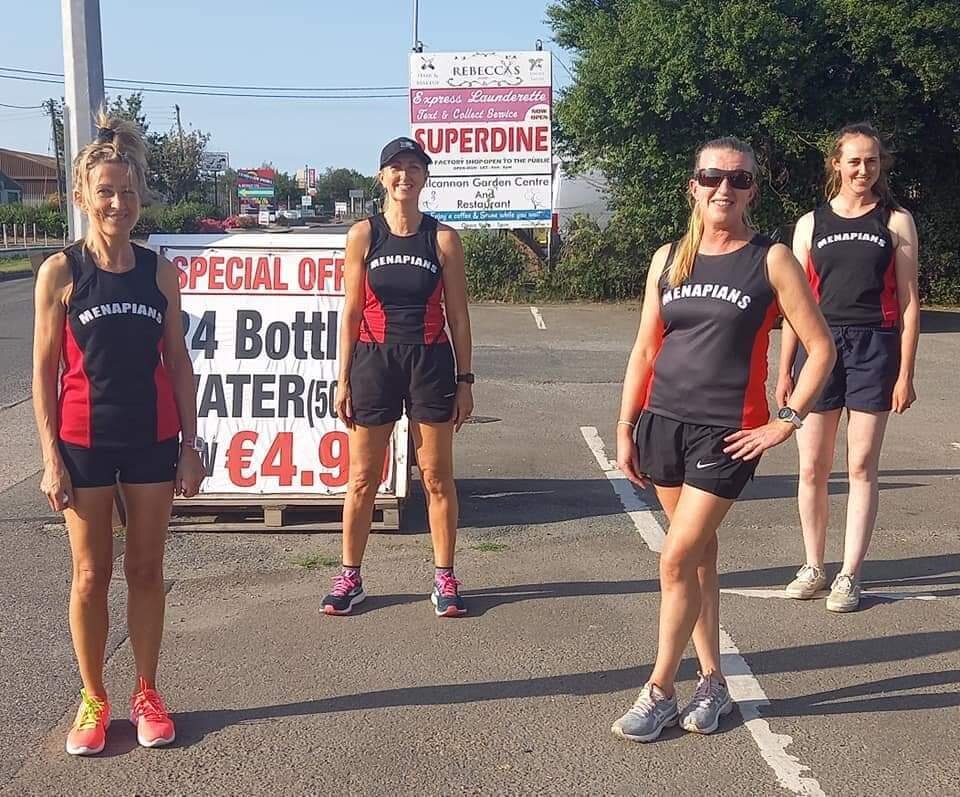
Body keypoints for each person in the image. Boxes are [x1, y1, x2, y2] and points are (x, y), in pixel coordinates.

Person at [612, 137, 835, 742]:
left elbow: (821, 348)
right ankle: (713, 682)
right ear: (693, 184)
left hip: (726, 434)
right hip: (663, 423)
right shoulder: (669, 259)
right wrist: (626, 424)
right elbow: (645, 348)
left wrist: (785, 420)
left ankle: (659, 689)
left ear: (752, 191)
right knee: (701, 561)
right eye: (712, 177)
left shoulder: (772, 259)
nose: (724, 189)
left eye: (738, 180)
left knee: (676, 557)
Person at [32, 112, 205, 755]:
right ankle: (94, 698)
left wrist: (191, 445)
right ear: (82, 196)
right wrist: (51, 458)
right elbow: (44, 372)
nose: (117, 202)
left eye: (127, 191)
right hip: (82, 445)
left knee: (147, 568)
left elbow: (178, 362)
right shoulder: (61, 272)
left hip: (151, 442)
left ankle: (147, 691)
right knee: (89, 575)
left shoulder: (160, 274)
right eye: (105, 191)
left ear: (140, 197)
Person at [322, 137, 474, 618]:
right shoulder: (363, 235)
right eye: (396, 167)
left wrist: (466, 379)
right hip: (374, 361)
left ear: (425, 178)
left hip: (430, 361)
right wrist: (342, 377)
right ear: (382, 177)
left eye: (414, 167)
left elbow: (459, 315)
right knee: (363, 478)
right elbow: (349, 312)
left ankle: (444, 577)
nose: (405, 175)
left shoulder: (443, 238)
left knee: (436, 477)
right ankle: (350, 576)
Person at [776, 123, 920, 612]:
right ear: (836, 163)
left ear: (881, 165)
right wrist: (785, 369)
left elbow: (909, 302)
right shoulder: (809, 224)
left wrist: (905, 372)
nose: (864, 169)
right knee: (812, 465)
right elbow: (795, 305)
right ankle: (814, 565)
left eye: (873, 161)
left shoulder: (896, 220)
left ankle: (849, 574)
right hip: (820, 349)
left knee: (860, 465)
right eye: (854, 160)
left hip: (875, 347)